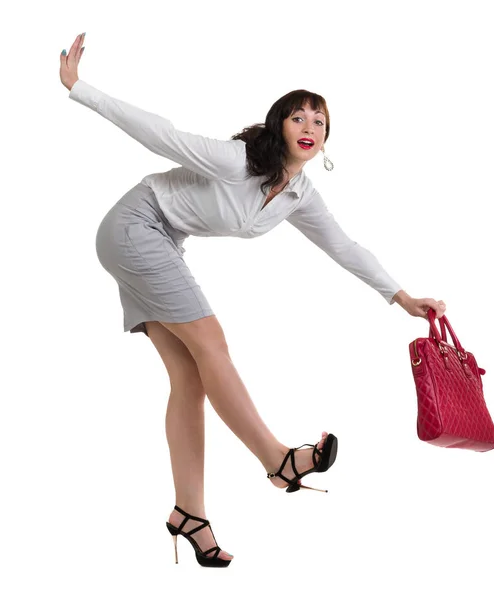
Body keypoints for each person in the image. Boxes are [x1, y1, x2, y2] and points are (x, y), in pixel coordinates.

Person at [60, 33, 447, 568]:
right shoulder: (237, 160)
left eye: (319, 121)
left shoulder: (298, 194)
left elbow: (344, 246)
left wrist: (402, 297)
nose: (309, 128)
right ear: (277, 125)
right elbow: (162, 135)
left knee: (192, 378)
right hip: (135, 226)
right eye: (298, 118)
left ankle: (188, 513)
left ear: (327, 138)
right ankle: (278, 459)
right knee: (212, 343)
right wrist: (81, 88)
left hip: (158, 241)